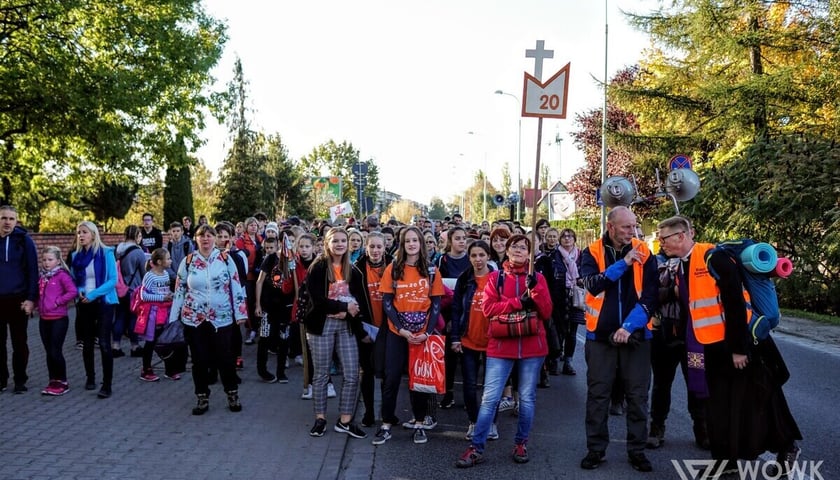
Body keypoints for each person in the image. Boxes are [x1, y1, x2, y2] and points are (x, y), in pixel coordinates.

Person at [656, 216, 802, 476]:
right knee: (718, 407)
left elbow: (735, 302)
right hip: (710, 347)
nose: (660, 242)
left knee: (758, 399)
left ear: (681, 236)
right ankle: (726, 464)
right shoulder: (682, 264)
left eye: (663, 237)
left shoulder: (713, 258)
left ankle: (786, 447)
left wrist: (739, 349)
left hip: (737, 346)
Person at [455, 233, 552, 468]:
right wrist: (519, 302)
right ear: (506, 251)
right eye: (514, 247)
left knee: (527, 399)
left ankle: (521, 443)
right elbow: (488, 309)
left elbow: (547, 312)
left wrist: (535, 291)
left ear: (530, 254)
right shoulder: (495, 277)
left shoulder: (537, 278)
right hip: (500, 345)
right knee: (490, 398)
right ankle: (476, 446)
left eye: (523, 247)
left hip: (532, 346)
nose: (518, 250)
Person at [578, 206, 658, 472]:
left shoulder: (646, 253)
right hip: (599, 337)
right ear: (610, 227)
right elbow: (592, 284)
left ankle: (637, 450)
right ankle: (595, 450)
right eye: (626, 227)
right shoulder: (591, 252)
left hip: (636, 336)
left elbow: (650, 296)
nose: (632, 232)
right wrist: (624, 263)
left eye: (634, 226)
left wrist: (628, 326)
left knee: (637, 396)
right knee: (598, 395)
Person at [372, 226, 444, 446]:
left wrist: (427, 333)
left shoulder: (431, 271)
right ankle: (385, 424)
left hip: (422, 334)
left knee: (419, 381)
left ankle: (420, 423)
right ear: (401, 245)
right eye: (407, 241)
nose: (412, 244)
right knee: (391, 378)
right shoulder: (393, 269)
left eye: (415, 240)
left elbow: (436, 305)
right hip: (397, 332)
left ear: (421, 243)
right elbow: (386, 303)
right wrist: (401, 329)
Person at [169, 224, 248, 415]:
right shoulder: (188, 261)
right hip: (194, 319)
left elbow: (236, 286)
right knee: (199, 360)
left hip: (221, 317)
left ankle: (232, 393)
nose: (205, 239)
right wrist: (173, 317)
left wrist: (240, 313)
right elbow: (179, 290)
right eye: (201, 236)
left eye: (209, 236)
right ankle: (202, 396)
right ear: (196, 239)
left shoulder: (225, 259)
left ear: (215, 239)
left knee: (225, 358)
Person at [305, 227, 371, 439]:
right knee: (322, 374)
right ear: (327, 243)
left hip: (346, 327)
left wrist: (355, 322)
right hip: (321, 325)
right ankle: (320, 418)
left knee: (352, 374)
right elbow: (317, 300)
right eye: (336, 241)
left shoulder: (354, 270)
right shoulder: (318, 267)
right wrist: (343, 308)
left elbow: (361, 301)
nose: (340, 244)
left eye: (344, 240)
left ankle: (345, 420)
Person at [646, 233, 708, 450]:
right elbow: (649, 295)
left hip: (694, 335)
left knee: (697, 380)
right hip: (664, 334)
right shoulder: (654, 262)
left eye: (666, 239)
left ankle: (702, 426)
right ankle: (657, 426)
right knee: (662, 383)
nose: (663, 243)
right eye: (661, 240)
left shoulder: (699, 262)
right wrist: (673, 291)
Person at [450, 240, 498, 441]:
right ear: (469, 258)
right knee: (469, 385)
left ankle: (491, 423)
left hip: (493, 341)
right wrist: (455, 338)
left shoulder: (497, 278)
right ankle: (473, 421)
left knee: (491, 386)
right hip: (468, 339)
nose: (478, 260)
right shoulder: (465, 279)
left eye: (481, 255)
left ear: (488, 256)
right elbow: (456, 309)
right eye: (473, 256)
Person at [70, 221, 120, 399]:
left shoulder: (106, 253)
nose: (81, 235)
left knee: (104, 343)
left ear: (93, 234)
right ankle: (90, 377)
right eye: (78, 233)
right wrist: (80, 292)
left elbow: (113, 280)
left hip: (104, 302)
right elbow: (74, 281)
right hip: (84, 303)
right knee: (88, 342)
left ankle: (107, 384)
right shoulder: (76, 255)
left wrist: (93, 294)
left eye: (84, 232)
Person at [354, 232, 393, 427]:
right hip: (366, 329)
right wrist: (360, 332)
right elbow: (350, 302)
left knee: (388, 374)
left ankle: (388, 413)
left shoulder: (395, 266)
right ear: (366, 248)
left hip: (390, 329)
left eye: (379, 247)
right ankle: (368, 412)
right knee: (367, 372)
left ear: (385, 247)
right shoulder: (357, 270)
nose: (376, 251)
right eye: (372, 247)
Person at [0, 205, 38, 393]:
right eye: (3, 218)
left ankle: (20, 380)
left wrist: (31, 299)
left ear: (16, 221)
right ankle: (1, 380)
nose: (7, 222)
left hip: (18, 300)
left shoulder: (24, 241)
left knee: (19, 343)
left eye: (11, 219)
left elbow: (33, 271)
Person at [437, 225, 470, 410]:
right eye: (458, 238)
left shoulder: (470, 260)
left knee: (467, 359)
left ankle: (468, 396)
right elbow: (439, 290)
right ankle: (447, 393)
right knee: (448, 358)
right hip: (449, 315)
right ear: (450, 241)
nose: (462, 241)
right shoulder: (442, 260)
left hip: (467, 315)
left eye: (464, 238)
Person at [36, 246, 77, 396]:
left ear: (58, 261)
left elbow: (73, 291)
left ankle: (63, 382)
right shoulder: (42, 276)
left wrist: (57, 301)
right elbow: (39, 294)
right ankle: (53, 380)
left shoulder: (62, 276)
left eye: (50, 260)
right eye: (44, 259)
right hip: (43, 318)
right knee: (48, 352)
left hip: (59, 319)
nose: (47, 263)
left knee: (55, 350)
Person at [254, 236, 291, 384]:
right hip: (268, 305)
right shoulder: (269, 259)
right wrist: (258, 304)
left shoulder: (292, 259)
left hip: (285, 306)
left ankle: (281, 371)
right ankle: (262, 370)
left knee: (284, 338)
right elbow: (260, 281)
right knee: (264, 337)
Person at [136, 248, 175, 382]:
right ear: (159, 261)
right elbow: (143, 295)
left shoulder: (165, 274)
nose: (170, 260)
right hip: (152, 314)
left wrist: (171, 296)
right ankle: (146, 369)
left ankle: (170, 369)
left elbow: (166, 290)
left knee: (166, 341)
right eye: (168, 258)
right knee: (151, 342)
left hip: (165, 312)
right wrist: (161, 298)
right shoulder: (149, 276)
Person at [113, 225, 145, 358]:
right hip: (134, 290)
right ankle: (135, 346)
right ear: (137, 236)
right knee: (133, 318)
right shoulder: (138, 252)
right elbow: (144, 272)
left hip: (120, 289)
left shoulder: (118, 249)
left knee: (120, 317)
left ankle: (115, 346)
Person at [236, 216, 263, 346]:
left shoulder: (260, 239)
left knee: (258, 302)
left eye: (255, 225)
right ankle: (251, 329)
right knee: (249, 301)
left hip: (259, 275)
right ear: (246, 226)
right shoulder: (241, 241)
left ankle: (258, 327)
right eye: (251, 225)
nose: (253, 227)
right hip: (248, 276)